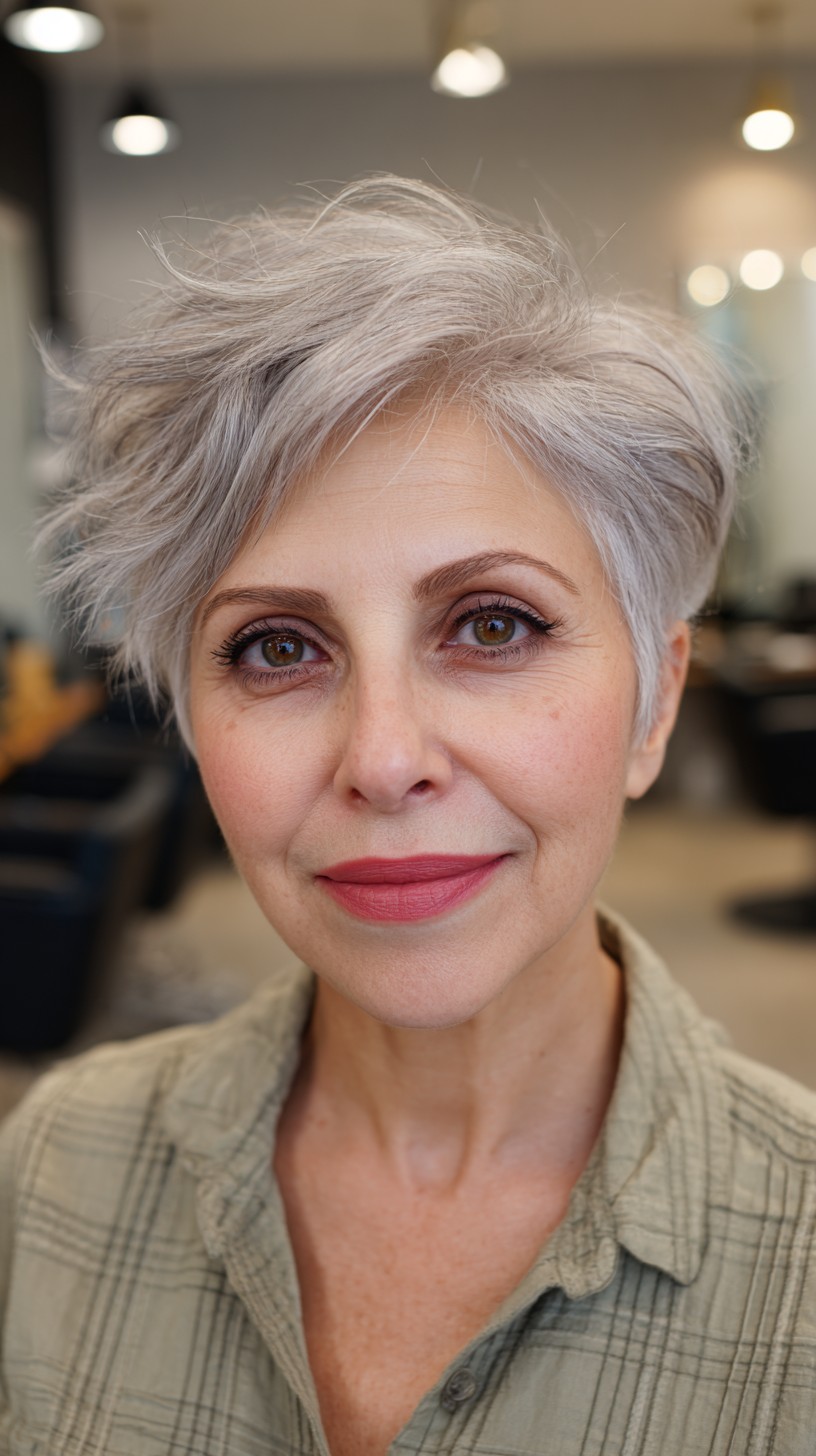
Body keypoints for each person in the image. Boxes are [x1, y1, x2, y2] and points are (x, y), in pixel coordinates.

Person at [1, 175, 814, 1456]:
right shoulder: (55, 1170)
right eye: (275, 647)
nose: (384, 759)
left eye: (494, 624)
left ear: (653, 707)